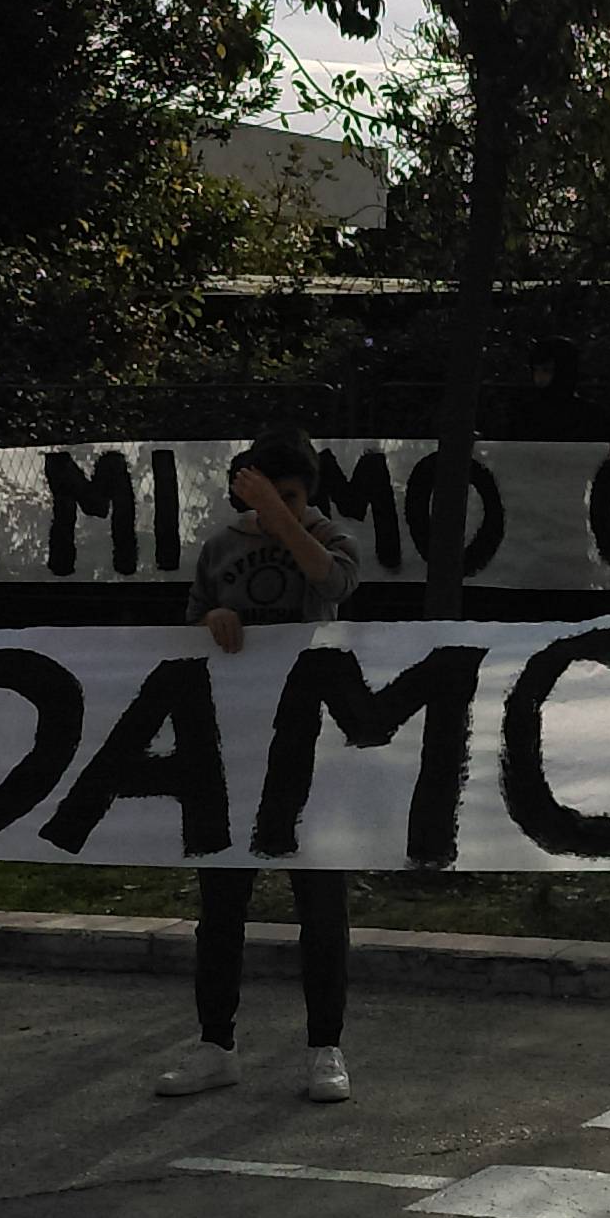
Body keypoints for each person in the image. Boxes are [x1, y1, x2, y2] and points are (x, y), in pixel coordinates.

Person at [154, 432, 359, 1106]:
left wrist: (280, 514)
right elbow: (188, 634)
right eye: (271, 497)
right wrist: (212, 615)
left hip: (313, 750)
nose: (284, 509)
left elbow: (330, 580)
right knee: (222, 903)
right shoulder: (219, 549)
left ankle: (325, 1047)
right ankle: (216, 1044)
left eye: (295, 498)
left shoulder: (329, 538)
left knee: (321, 903)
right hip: (234, 748)